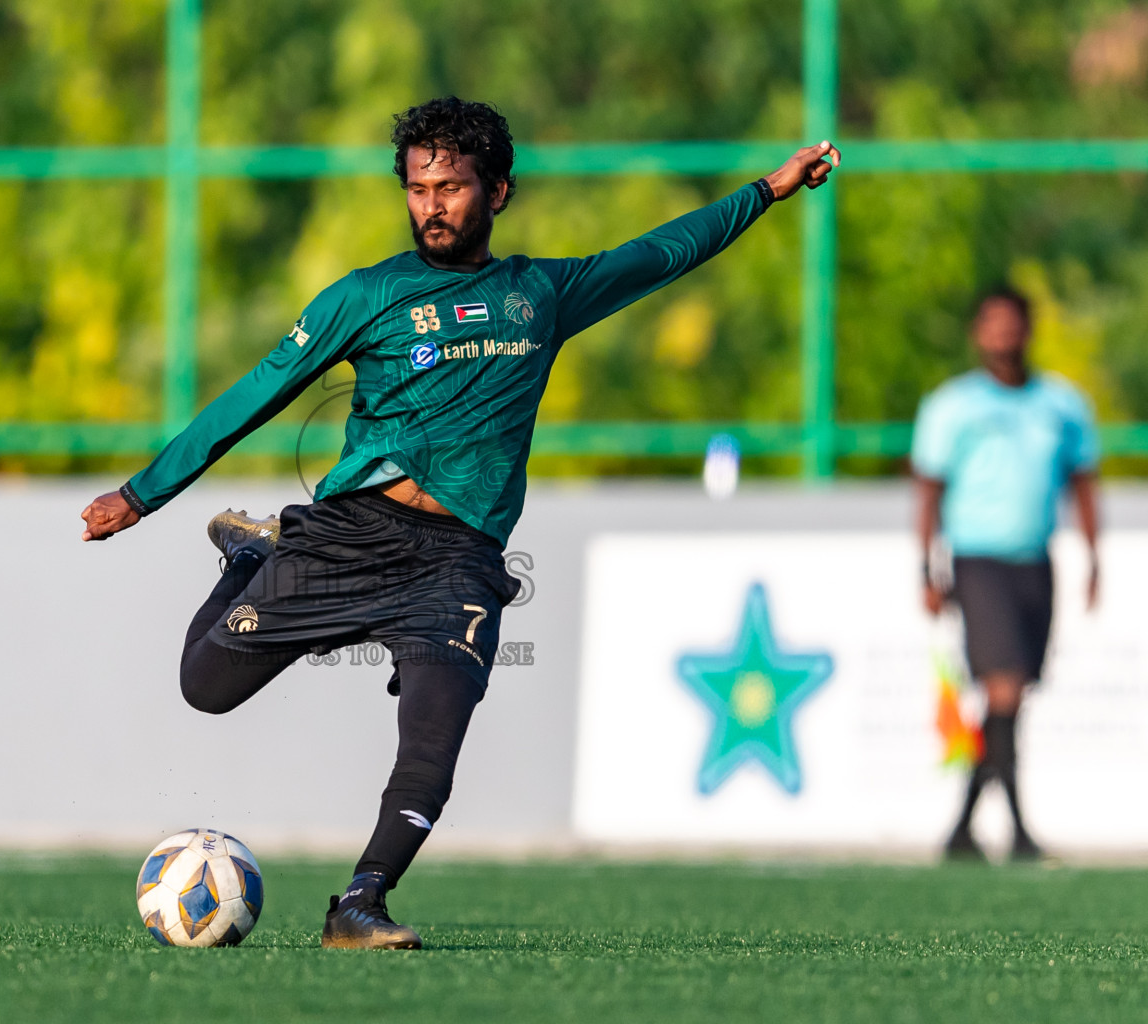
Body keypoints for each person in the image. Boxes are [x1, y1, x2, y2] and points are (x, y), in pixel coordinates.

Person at [81, 97, 840, 947]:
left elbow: (663, 253)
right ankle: (249, 556)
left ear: (499, 191)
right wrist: (143, 494)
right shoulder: (368, 295)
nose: (431, 205)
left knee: (436, 733)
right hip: (351, 533)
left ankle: (359, 904)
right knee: (205, 687)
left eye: (449, 186)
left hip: (459, 559)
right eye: (416, 187)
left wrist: (768, 192)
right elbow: (259, 391)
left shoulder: (539, 295)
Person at [912, 286, 1100, 863]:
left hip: (1036, 561)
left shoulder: (1061, 404)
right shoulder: (953, 406)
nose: (1002, 333)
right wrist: (927, 567)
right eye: (991, 322)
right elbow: (929, 490)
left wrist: (1096, 558)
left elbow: (1084, 482)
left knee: (1012, 698)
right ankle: (1017, 831)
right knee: (1003, 687)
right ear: (977, 333)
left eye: (1011, 322)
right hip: (978, 559)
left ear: (1028, 329)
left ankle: (963, 827)